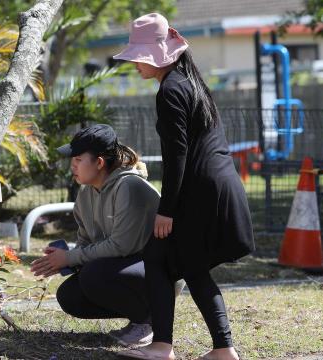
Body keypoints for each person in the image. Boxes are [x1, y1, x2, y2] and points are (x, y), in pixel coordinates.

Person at [113, 13, 256, 360]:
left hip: (202, 192)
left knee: (171, 260)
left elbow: (177, 156)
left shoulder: (172, 89)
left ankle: (177, 347)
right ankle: (213, 349)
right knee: (170, 260)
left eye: (139, 55)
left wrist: (166, 210)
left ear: (158, 54)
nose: (134, 63)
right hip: (213, 187)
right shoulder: (187, 82)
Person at [30, 124, 160, 347]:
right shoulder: (85, 194)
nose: (73, 164)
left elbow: (122, 246)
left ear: (99, 163)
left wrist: (70, 258)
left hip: (156, 272)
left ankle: (149, 320)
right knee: (70, 295)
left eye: (79, 159)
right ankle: (140, 315)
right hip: (122, 270)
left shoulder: (129, 186)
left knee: (93, 274)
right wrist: (64, 261)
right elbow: (86, 241)